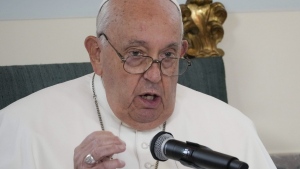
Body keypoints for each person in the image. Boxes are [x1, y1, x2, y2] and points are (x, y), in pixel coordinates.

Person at [0, 0, 276, 168]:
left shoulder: (233, 128)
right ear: (97, 54)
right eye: (135, 54)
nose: (154, 76)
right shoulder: (21, 127)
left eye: (168, 55)